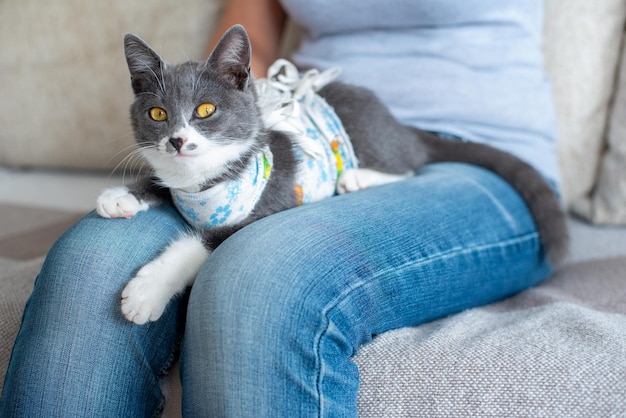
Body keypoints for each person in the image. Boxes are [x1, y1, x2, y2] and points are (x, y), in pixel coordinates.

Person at [0, 0, 560, 416]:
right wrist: (235, 125)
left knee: (259, 273)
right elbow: (247, 56)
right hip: (299, 125)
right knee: (90, 264)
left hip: (466, 158)